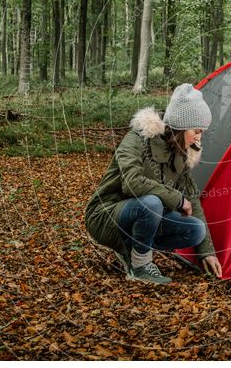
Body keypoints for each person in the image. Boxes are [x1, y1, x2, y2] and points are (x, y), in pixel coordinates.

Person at [85, 84, 222, 284]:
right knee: (152, 203)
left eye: (202, 131)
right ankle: (140, 267)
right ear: (181, 127)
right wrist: (177, 199)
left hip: (145, 215)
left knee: (196, 229)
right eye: (196, 130)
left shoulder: (181, 153)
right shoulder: (137, 139)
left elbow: (192, 198)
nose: (199, 136)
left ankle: (131, 249)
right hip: (106, 214)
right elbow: (132, 183)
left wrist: (207, 252)